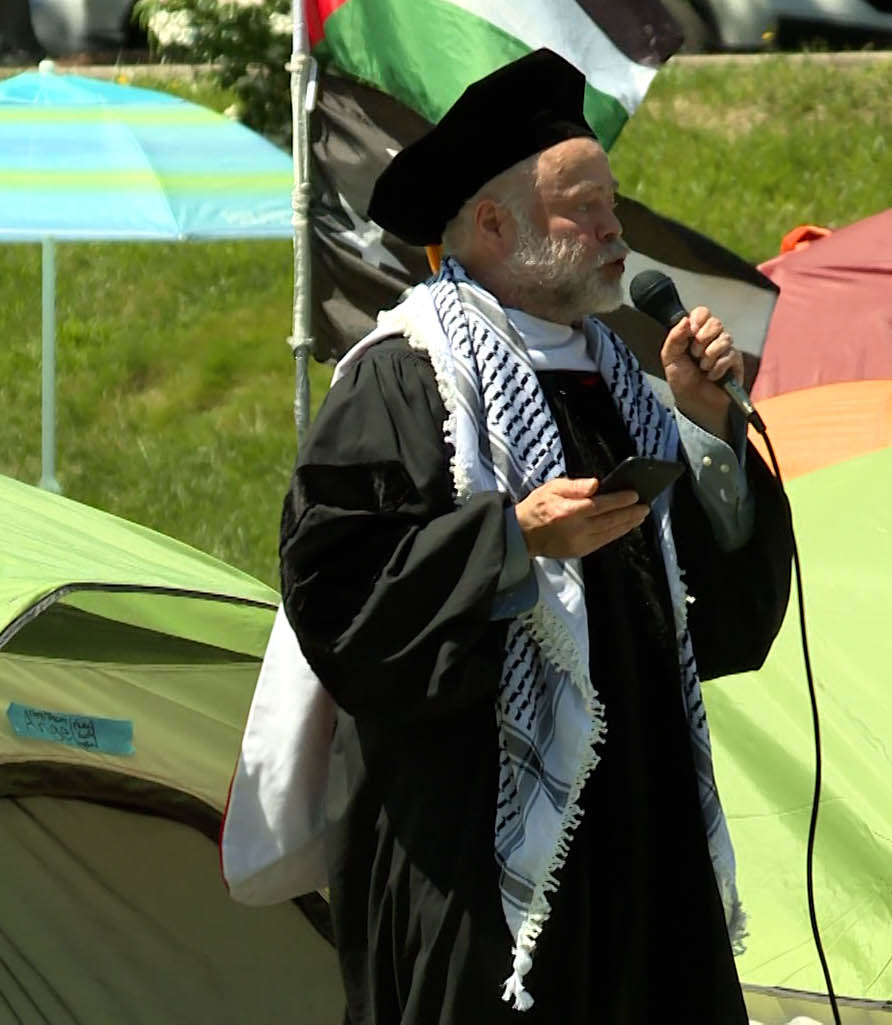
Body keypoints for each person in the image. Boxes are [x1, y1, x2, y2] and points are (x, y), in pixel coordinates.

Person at [278, 49, 793, 1024]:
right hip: (482, 847)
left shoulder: (620, 382)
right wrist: (509, 541)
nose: (614, 232)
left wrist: (707, 428)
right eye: (584, 209)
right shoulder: (405, 376)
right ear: (491, 223)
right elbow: (337, 596)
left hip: (641, 839)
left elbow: (713, 616)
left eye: (612, 204)